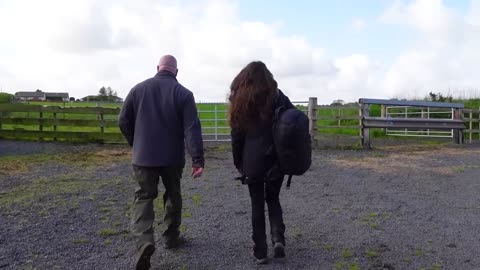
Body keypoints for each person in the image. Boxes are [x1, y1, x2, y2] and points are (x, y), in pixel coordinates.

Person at [119, 54, 205, 270]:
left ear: (158, 67)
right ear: (176, 71)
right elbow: (191, 128)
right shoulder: (184, 94)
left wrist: (135, 143)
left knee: (143, 197)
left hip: (143, 157)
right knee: (173, 194)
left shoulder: (138, 90)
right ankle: (171, 237)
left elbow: (123, 120)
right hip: (172, 158)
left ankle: (144, 244)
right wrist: (197, 159)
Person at [229, 61, 294, 264]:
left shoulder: (241, 99)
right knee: (273, 198)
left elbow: (236, 136)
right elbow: (291, 124)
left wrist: (238, 161)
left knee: (256, 204)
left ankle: (260, 250)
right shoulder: (279, 97)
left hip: (252, 160)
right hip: (277, 157)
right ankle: (278, 239)